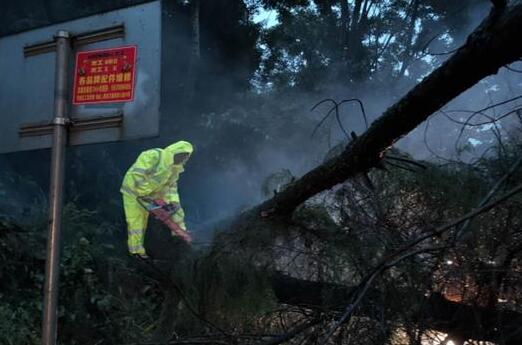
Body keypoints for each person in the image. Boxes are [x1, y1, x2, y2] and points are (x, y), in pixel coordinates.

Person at [120, 141, 193, 258]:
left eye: (186, 156)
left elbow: (171, 187)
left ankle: (180, 236)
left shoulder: (176, 168)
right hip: (133, 192)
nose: (184, 158)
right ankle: (137, 254)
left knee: (177, 211)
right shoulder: (154, 156)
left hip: (154, 192)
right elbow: (136, 177)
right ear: (175, 152)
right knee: (136, 223)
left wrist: (173, 202)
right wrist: (146, 195)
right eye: (183, 155)